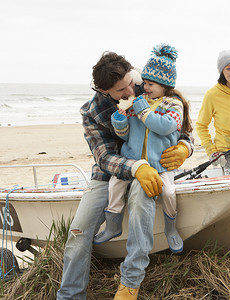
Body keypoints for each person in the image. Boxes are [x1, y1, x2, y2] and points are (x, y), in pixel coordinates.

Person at [56, 50, 193, 300]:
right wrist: (135, 167)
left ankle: (130, 283)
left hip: (153, 167)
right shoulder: (92, 112)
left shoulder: (150, 83)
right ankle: (70, 295)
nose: (132, 91)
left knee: (142, 198)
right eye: (122, 90)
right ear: (104, 91)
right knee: (78, 231)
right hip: (110, 174)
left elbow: (180, 126)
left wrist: (186, 147)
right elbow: (103, 157)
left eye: (131, 82)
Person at [93, 44, 192, 255]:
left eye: (150, 84)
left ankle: (170, 228)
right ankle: (113, 224)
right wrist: (119, 123)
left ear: (165, 85)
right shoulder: (140, 103)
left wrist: (185, 147)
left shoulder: (171, 104)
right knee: (115, 186)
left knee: (169, 192)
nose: (144, 88)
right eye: (145, 83)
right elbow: (127, 135)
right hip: (132, 160)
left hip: (160, 164)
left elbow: (165, 127)